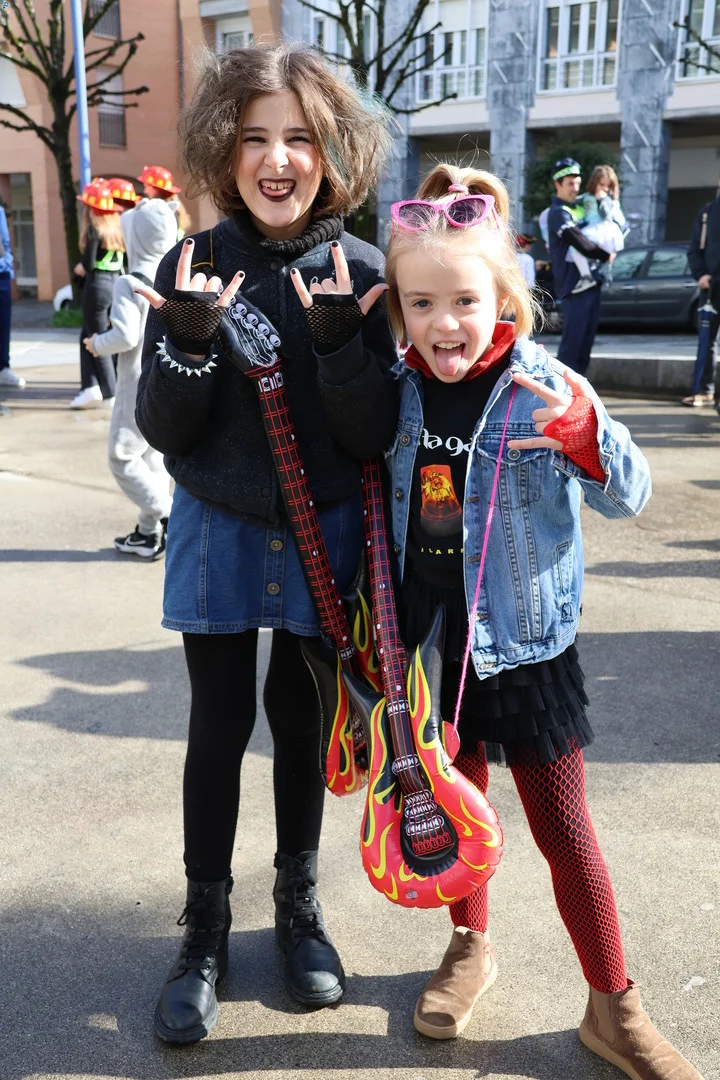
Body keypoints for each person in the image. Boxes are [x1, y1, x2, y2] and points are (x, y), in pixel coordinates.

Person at [310, 163, 703, 1080]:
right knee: (453, 804)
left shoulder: (545, 387)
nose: (443, 322)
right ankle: (469, 945)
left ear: (506, 301)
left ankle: (614, 1005)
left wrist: (586, 437)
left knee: (566, 832)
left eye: (464, 301)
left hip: (524, 647)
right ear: (398, 309)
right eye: (421, 303)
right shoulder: (396, 388)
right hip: (426, 647)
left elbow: (631, 495)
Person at [134, 43, 396, 1043]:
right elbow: (166, 428)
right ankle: (203, 926)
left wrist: (339, 348)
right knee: (217, 723)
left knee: (301, 722)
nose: (277, 159)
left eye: (300, 137)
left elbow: (370, 437)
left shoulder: (362, 272)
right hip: (218, 524)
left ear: (333, 151)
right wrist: (191, 341)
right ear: (223, 148)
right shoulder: (192, 262)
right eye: (254, 137)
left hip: (325, 528)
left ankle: (298, 907)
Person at [83, 198, 177, 559]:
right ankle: (149, 532)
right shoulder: (172, 278)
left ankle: (168, 515)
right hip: (165, 378)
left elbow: (125, 336)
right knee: (152, 455)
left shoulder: (129, 281)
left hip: (136, 381)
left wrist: (96, 343)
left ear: (135, 236)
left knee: (122, 456)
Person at [547, 158, 612, 376]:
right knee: (572, 346)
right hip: (573, 288)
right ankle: (560, 390)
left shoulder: (582, 207)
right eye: (570, 183)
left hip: (593, 283)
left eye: (577, 183)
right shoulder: (557, 212)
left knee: (586, 344)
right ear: (557, 184)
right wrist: (605, 255)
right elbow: (579, 241)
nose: (575, 188)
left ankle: (579, 390)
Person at [70, 179, 125, 410]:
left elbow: (89, 263)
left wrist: (79, 268)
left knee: (96, 338)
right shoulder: (118, 229)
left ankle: (109, 393)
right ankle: (91, 387)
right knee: (91, 336)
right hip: (115, 284)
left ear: (92, 208)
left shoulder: (94, 229)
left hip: (97, 287)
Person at [685, 175, 720, 407]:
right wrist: (701, 275)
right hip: (711, 287)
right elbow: (694, 250)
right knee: (706, 342)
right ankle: (704, 391)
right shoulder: (707, 212)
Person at [568, 164, 626, 291]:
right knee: (576, 249)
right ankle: (586, 276)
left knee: (607, 258)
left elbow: (606, 215)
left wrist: (602, 201)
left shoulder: (609, 200)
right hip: (590, 229)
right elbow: (573, 203)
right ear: (594, 182)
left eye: (608, 186)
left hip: (605, 231)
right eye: (602, 184)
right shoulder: (587, 197)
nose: (605, 188)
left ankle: (607, 279)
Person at [0, 200, 24, 389]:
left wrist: (8, 266)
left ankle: (3, 368)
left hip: (2, 274)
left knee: (3, 324)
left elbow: (4, 247)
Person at [138, 165, 192, 240]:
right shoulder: (173, 210)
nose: (145, 191)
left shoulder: (163, 212)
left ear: (156, 189)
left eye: (146, 186)